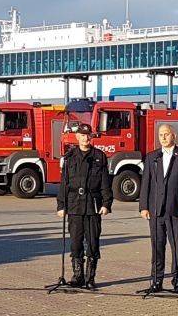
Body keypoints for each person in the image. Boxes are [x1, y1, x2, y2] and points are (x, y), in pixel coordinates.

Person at [138, 124, 178, 295]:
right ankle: (156, 281)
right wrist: (143, 206)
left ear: (174, 136)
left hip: (177, 210)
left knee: (177, 246)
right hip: (156, 210)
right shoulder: (152, 157)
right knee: (157, 246)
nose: (163, 138)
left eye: (166, 134)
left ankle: (177, 282)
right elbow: (146, 184)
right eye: (160, 135)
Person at [56, 123, 113, 290]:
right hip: (74, 204)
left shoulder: (99, 156)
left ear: (91, 137)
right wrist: (61, 205)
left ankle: (90, 277)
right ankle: (77, 275)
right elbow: (64, 184)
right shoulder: (69, 157)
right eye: (82, 135)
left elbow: (105, 182)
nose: (85, 138)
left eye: (88, 135)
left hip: (93, 203)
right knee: (75, 241)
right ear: (77, 137)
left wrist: (106, 203)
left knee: (93, 241)